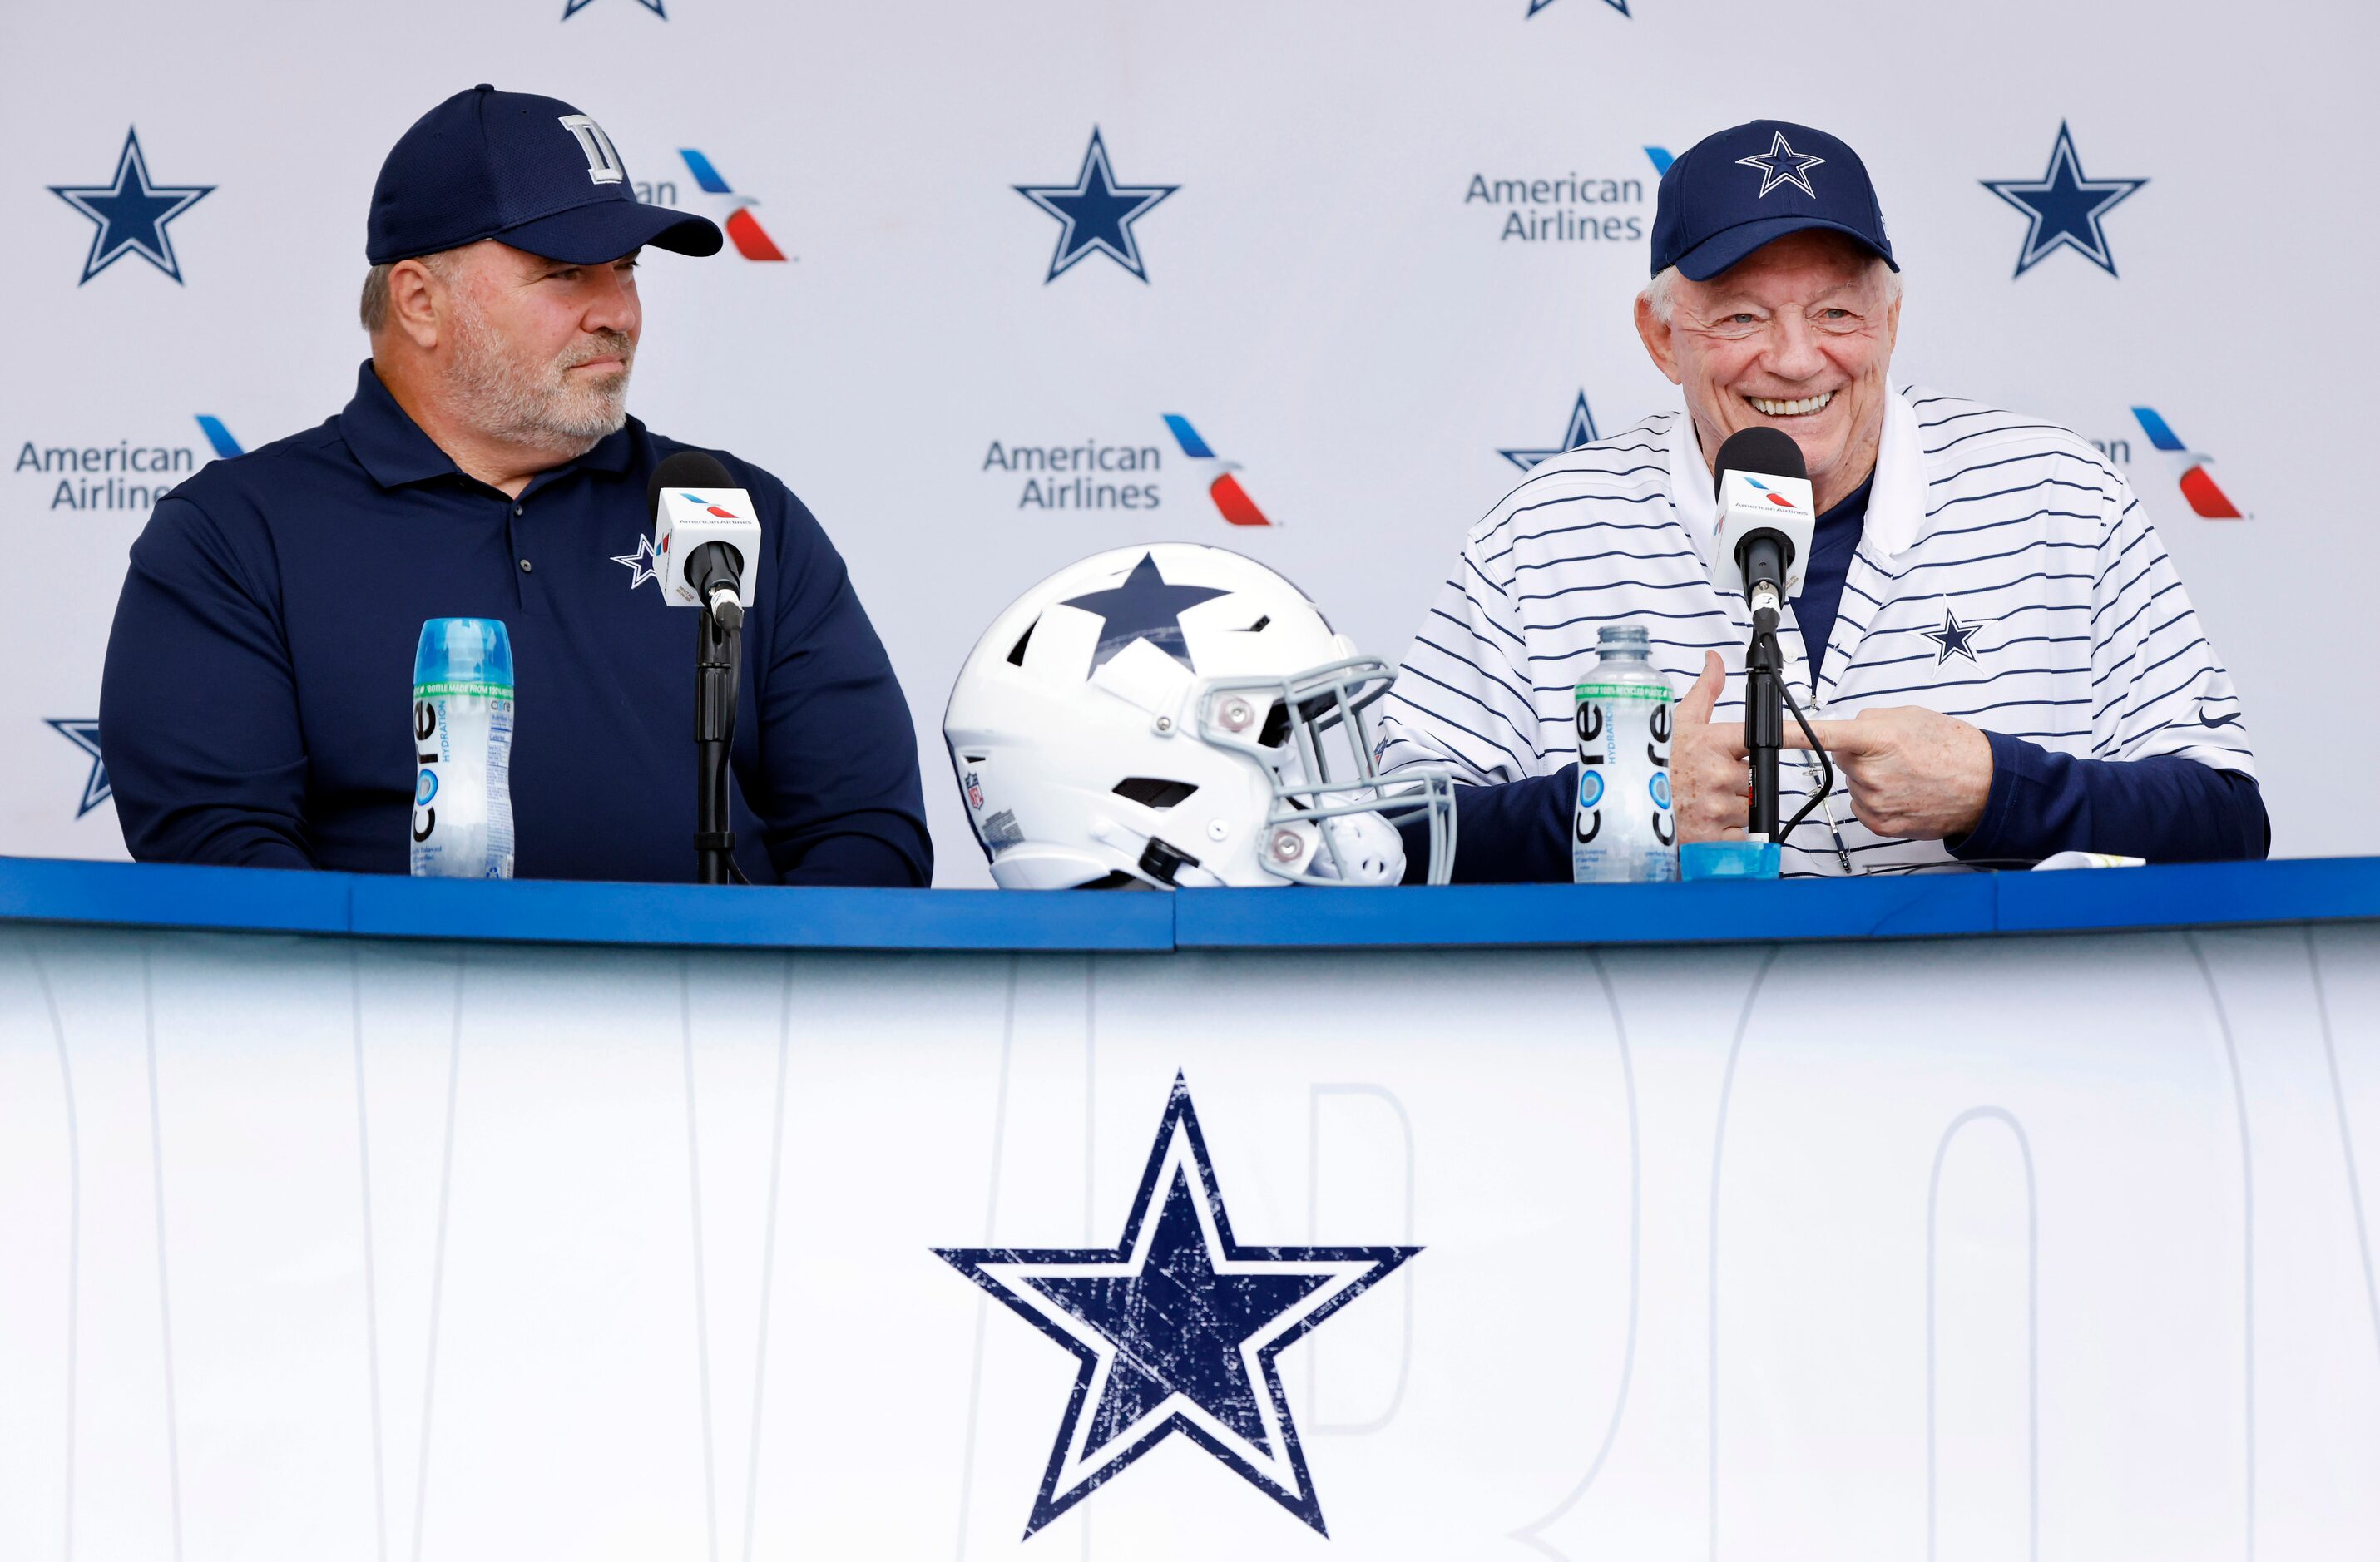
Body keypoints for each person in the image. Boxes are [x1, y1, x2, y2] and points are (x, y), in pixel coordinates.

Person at [1377, 119, 2266, 879]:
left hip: (2005, 1047)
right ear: (1659, 336)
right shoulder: (1540, 536)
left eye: (1836, 314)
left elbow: (2226, 823)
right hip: (1656, 1055)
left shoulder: (2061, 498)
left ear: (1890, 321)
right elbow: (1386, 840)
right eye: (1739, 317)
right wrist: (1622, 803)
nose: (1796, 360)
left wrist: (1997, 789)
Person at [100, 86, 930, 885]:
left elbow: (864, 834)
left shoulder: (731, 511)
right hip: (382, 1024)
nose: (618, 313)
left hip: (729, 1022)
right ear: (420, 301)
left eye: (625, 269)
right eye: (567, 273)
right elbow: (219, 860)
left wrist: (746, 1004)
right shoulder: (235, 534)